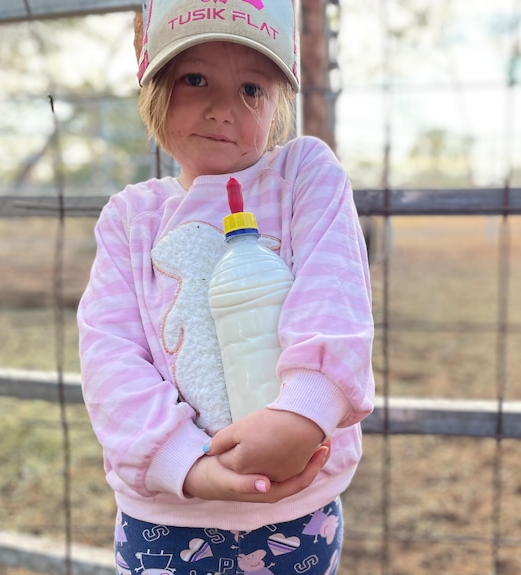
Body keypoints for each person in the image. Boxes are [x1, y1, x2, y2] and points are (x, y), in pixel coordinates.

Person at [76, 0, 375, 573]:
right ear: (153, 86)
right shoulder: (130, 219)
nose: (223, 108)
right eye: (195, 78)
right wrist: (187, 465)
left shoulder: (303, 178)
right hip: (165, 519)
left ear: (278, 102)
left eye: (252, 90)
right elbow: (109, 358)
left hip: (296, 514)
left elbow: (334, 298)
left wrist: (302, 414)